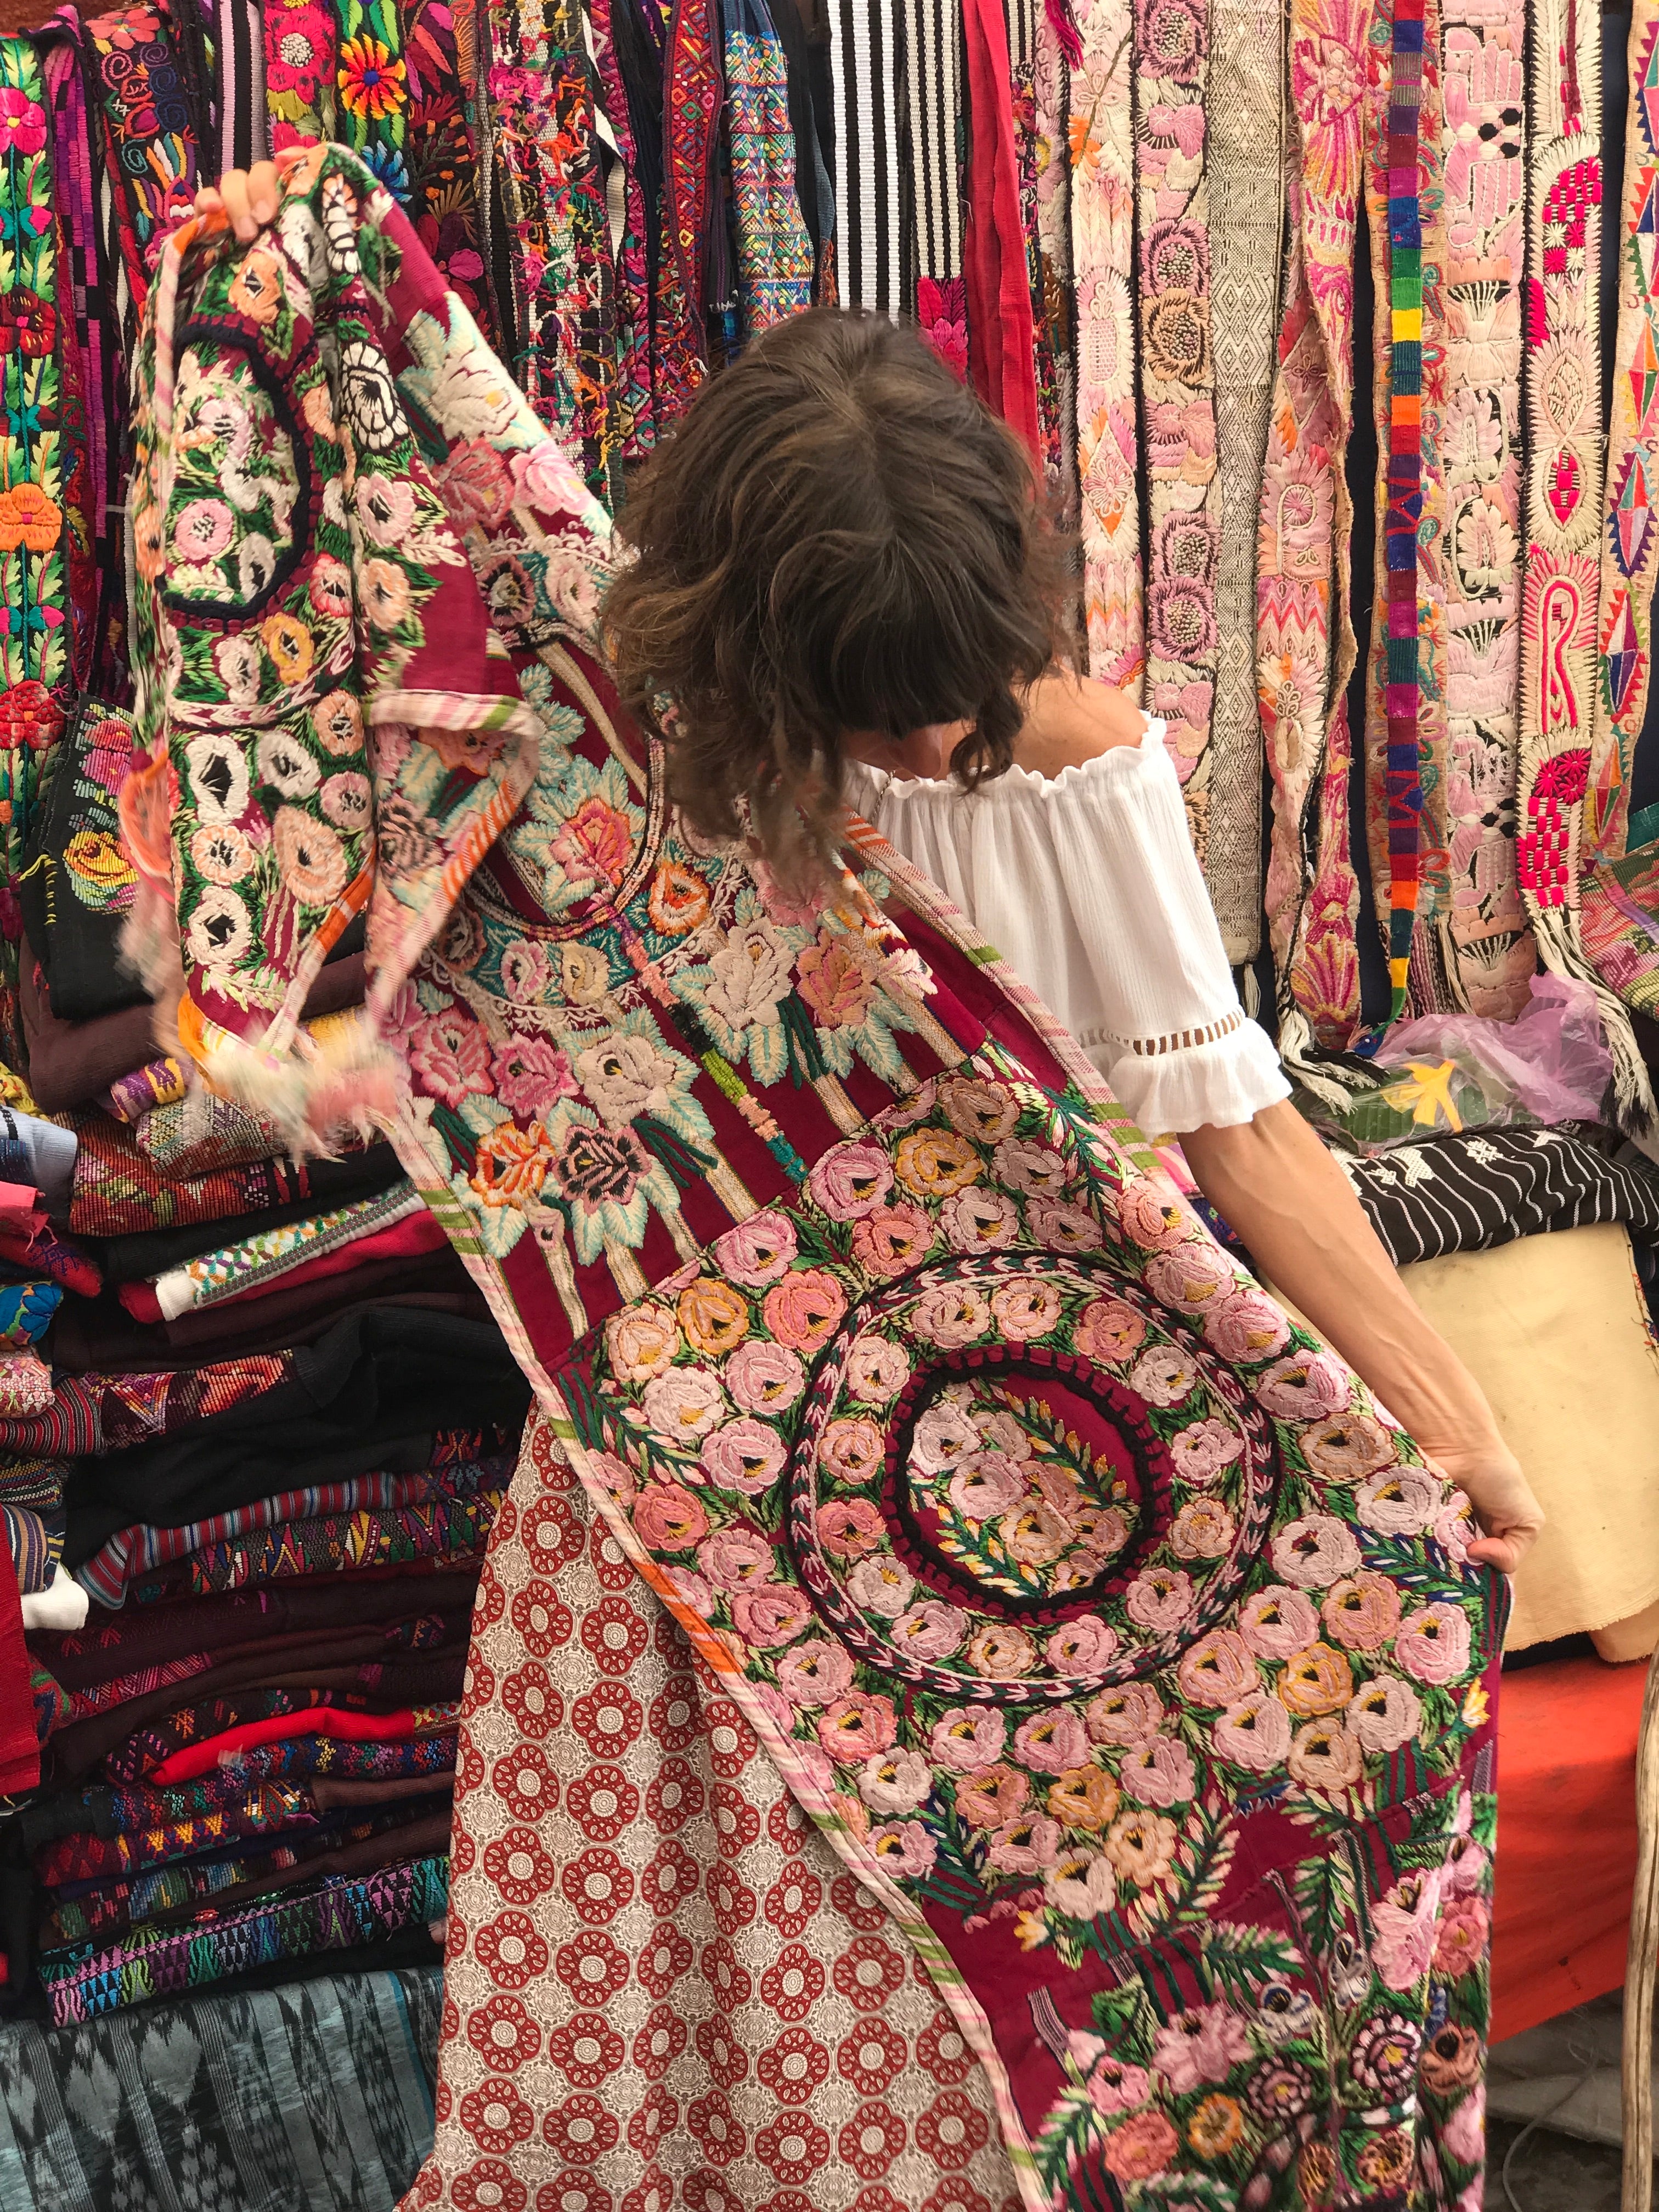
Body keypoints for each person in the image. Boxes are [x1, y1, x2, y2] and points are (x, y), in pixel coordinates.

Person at [197, 163, 1540, 1579]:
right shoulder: (656, 752)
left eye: (952, 693)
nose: (936, 741)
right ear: (763, 677)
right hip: (711, 1457)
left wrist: (1458, 1428)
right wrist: (303, 234)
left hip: (1018, 1458)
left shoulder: (1076, 781)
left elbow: (1244, 1137)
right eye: (884, 716)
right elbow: (445, 484)